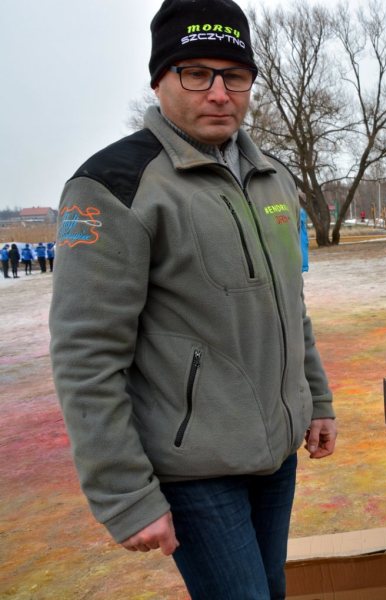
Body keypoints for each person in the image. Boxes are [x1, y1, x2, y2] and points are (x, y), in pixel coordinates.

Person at [49, 2, 337, 598]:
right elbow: (86, 355)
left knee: (272, 589)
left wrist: (317, 401)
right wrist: (125, 494)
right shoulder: (115, 186)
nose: (219, 93)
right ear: (159, 80)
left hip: (276, 456)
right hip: (195, 469)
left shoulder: (274, 177)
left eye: (235, 76)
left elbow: (292, 307)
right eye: (196, 73)